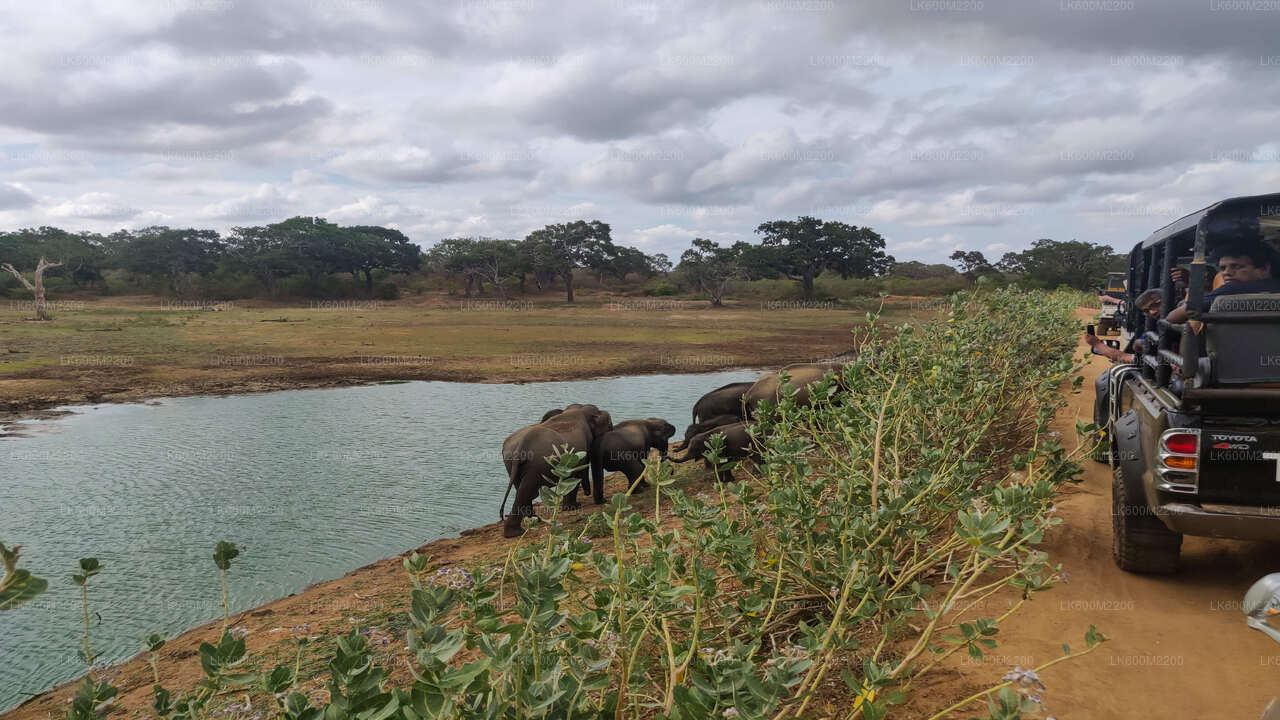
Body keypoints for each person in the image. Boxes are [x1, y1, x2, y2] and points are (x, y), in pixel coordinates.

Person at [1165, 242, 1280, 323]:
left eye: (1236, 266)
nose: (1227, 273)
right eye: (1223, 268)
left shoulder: (1232, 289)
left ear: (1264, 268)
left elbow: (1173, 317)